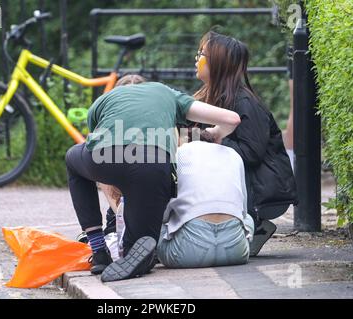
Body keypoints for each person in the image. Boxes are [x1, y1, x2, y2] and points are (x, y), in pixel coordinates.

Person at [65, 74, 241, 282]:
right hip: (155, 163)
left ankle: (98, 250)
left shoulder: (105, 99)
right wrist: (216, 133)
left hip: (106, 156)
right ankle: (139, 256)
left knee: (72, 159)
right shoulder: (166, 93)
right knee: (141, 244)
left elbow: (95, 140)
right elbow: (232, 119)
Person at [191, 30, 298, 256]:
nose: (196, 58)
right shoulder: (206, 97)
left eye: (202, 54)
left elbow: (251, 154)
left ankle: (253, 224)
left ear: (218, 63)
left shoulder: (245, 102)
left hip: (263, 190)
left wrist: (214, 138)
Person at [157, 130, 255, 268]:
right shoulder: (234, 155)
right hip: (235, 253)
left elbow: (163, 214)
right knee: (248, 218)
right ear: (216, 142)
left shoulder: (178, 154)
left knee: (154, 221)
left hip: (187, 254)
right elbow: (243, 211)